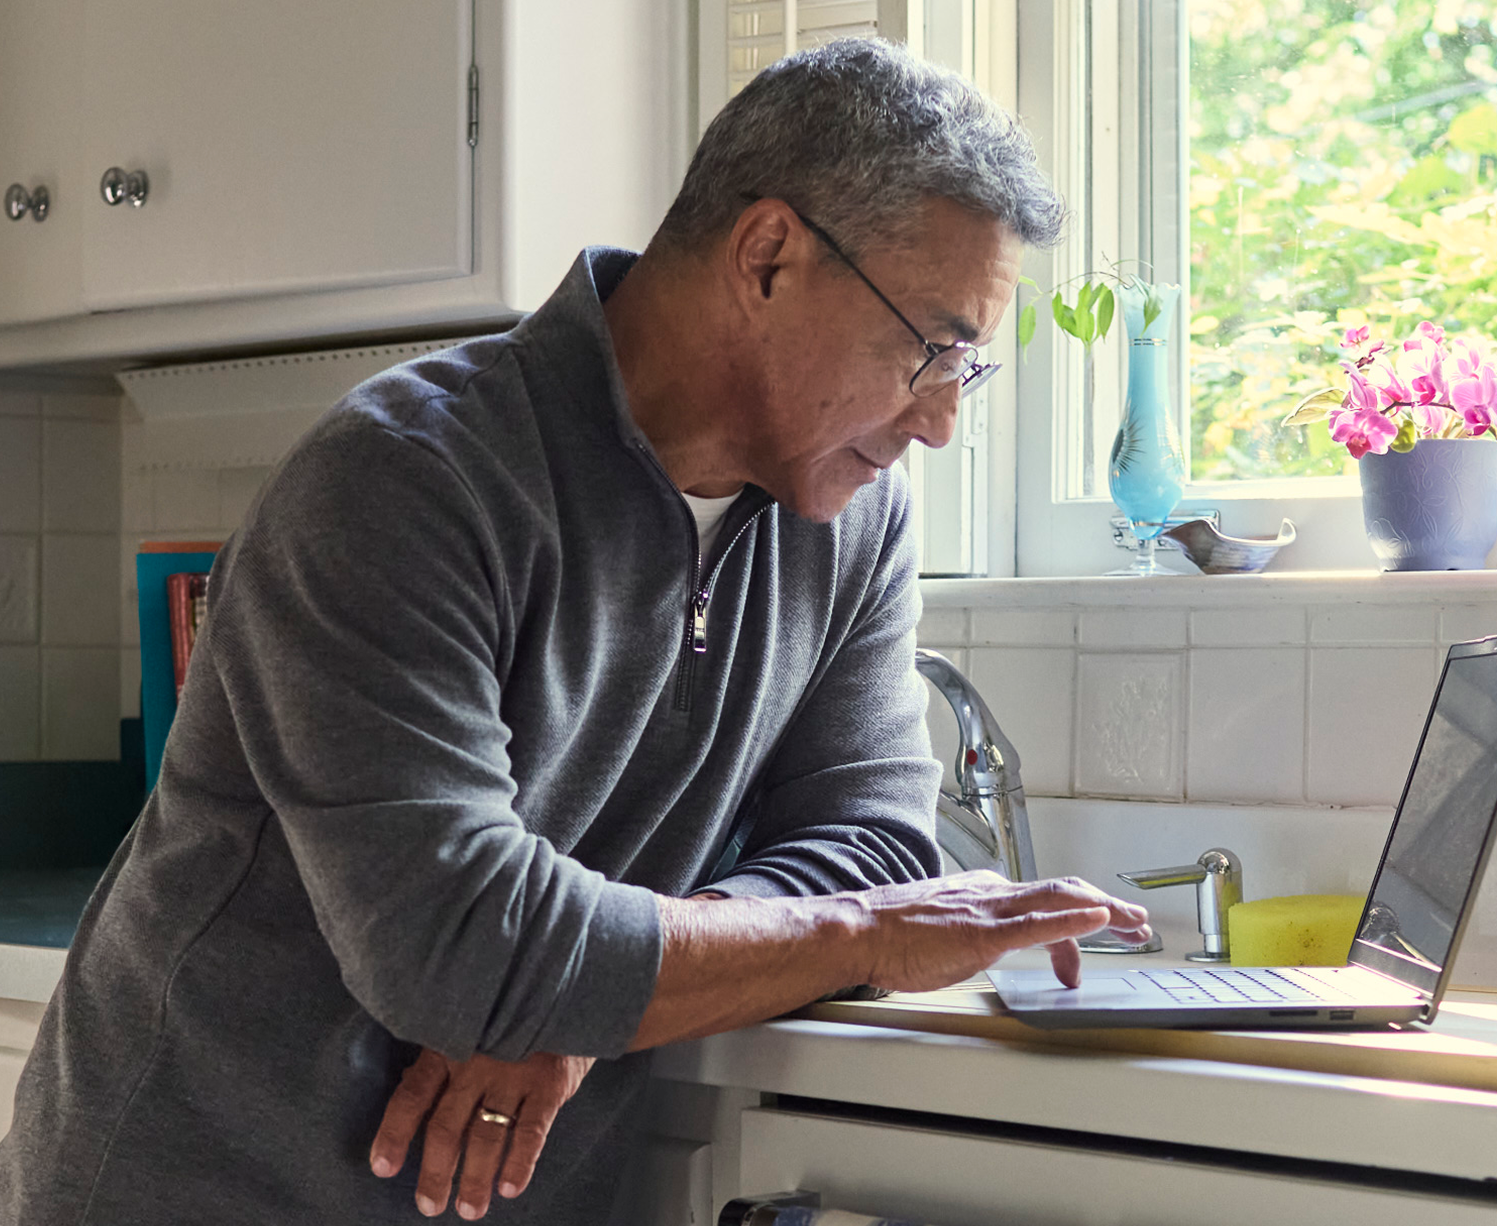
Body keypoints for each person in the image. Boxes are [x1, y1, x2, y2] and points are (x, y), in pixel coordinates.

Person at [0, 36, 1150, 1225]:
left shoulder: (851, 521)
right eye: (932, 345)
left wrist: (578, 999)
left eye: (972, 364)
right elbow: (455, 945)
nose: (943, 417)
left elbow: (870, 839)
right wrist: (840, 939)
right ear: (768, 257)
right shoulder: (406, 478)